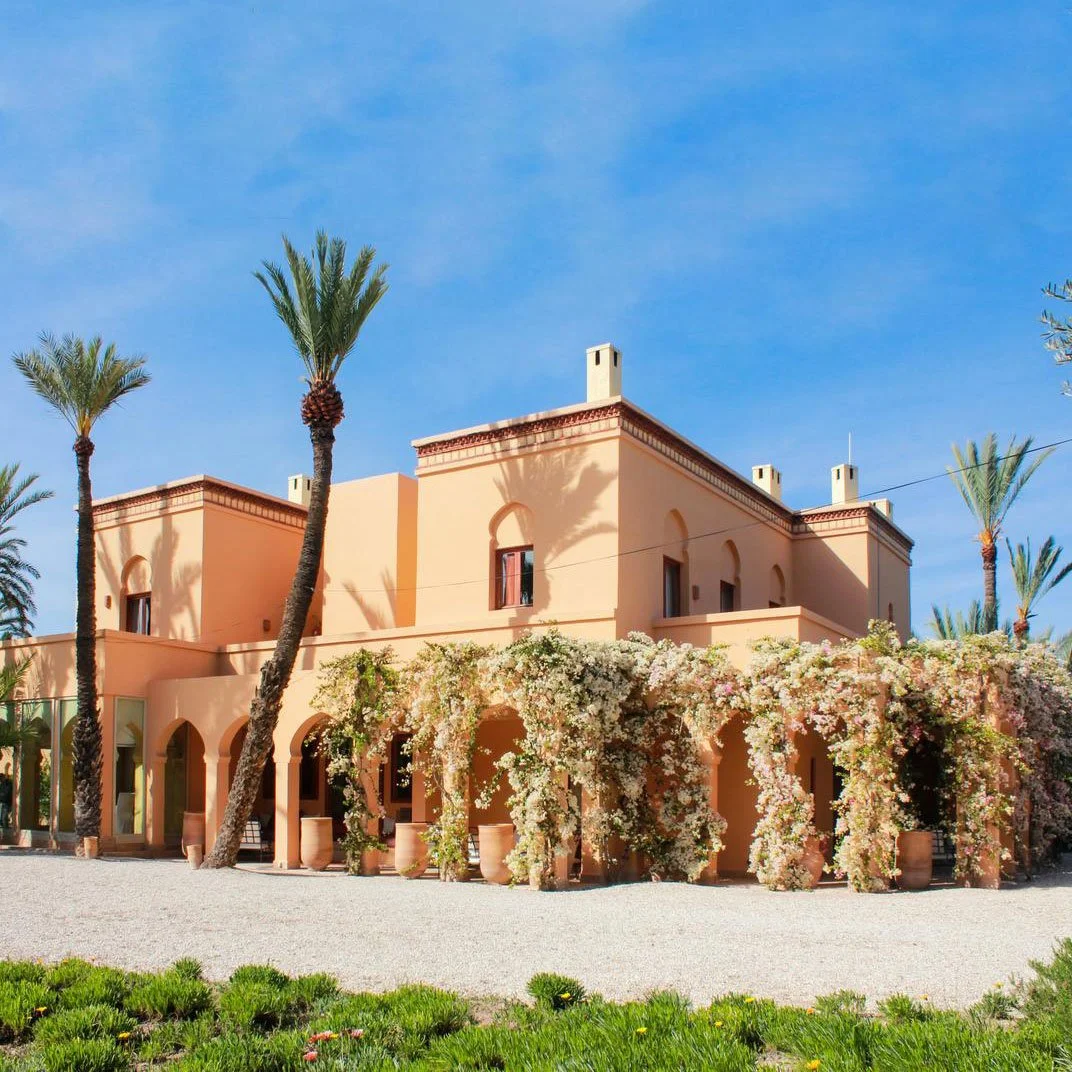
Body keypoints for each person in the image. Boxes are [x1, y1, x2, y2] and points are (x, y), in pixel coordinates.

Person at [0, 763, 13, 830]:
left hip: (7, 803)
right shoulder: (2, 785)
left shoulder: (7, 783)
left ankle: (5, 831)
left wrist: (6, 768)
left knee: (4, 818)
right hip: (3, 803)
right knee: (2, 818)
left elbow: (6, 777)